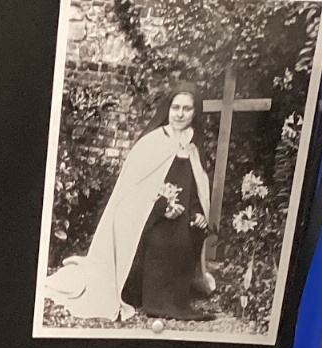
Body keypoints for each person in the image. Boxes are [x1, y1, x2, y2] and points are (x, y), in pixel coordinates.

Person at [45, 83, 215, 325]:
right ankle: (154, 301)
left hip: (182, 219)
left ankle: (174, 299)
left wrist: (197, 213)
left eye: (186, 109)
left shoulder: (194, 148)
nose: (180, 114)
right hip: (148, 221)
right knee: (162, 240)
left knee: (187, 239)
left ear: (195, 112)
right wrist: (161, 208)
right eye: (175, 107)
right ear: (167, 109)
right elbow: (132, 194)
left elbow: (196, 191)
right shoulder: (151, 143)